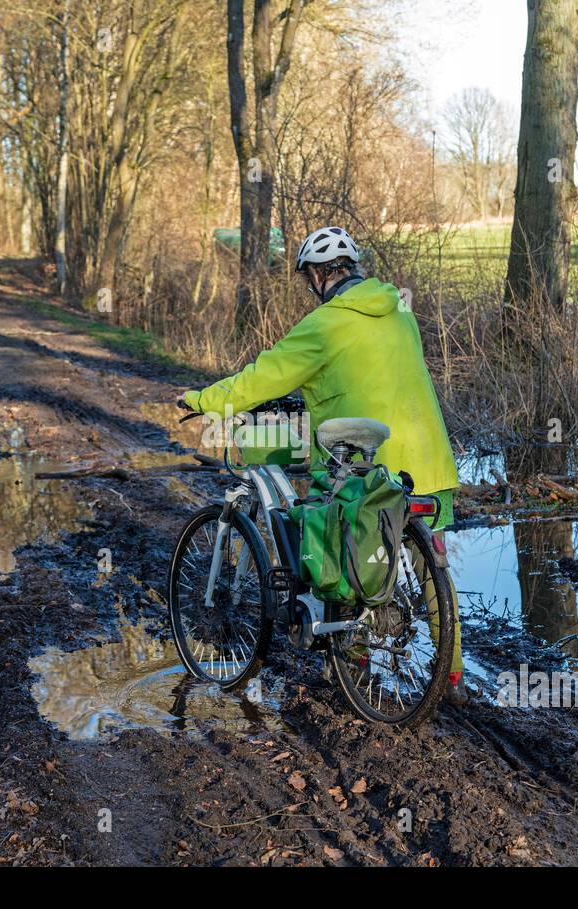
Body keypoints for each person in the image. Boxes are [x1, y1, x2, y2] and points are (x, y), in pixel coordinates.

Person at [180, 225, 467, 704]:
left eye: (307, 279)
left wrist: (204, 399)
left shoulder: (325, 323)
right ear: (352, 268)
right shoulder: (400, 312)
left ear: (317, 274)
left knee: (337, 547)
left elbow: (262, 377)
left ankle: (351, 665)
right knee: (428, 561)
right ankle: (452, 679)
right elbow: (371, 372)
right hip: (427, 460)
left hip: (365, 465)